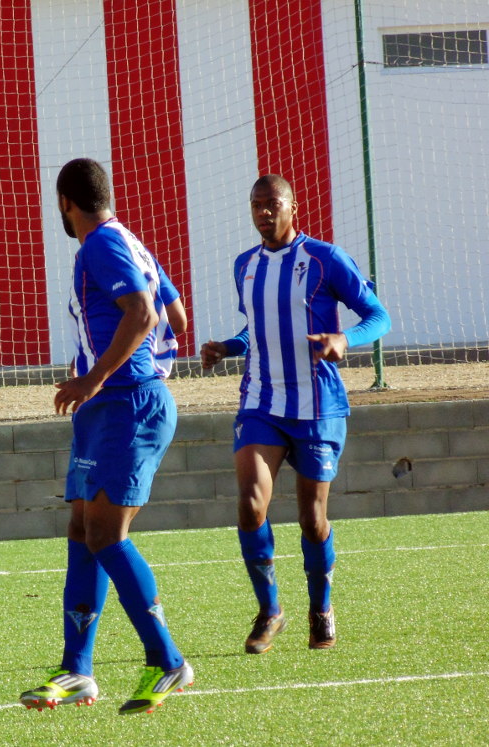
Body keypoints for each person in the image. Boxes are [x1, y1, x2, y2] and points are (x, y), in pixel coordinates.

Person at [20, 158, 193, 716]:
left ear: (65, 203)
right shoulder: (130, 242)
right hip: (107, 406)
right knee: (82, 529)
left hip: (127, 403)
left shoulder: (99, 245)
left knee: (105, 534)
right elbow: (176, 317)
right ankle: (77, 670)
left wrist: (94, 375)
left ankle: (167, 660)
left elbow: (143, 314)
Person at [200, 174, 391, 653]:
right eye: (256, 204)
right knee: (250, 505)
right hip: (262, 402)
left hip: (317, 406)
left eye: (273, 203)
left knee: (312, 518)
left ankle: (321, 608)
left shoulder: (325, 259)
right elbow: (259, 327)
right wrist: (229, 346)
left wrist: (345, 338)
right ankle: (270, 611)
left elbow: (378, 316)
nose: (264, 212)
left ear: (293, 207)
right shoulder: (245, 265)